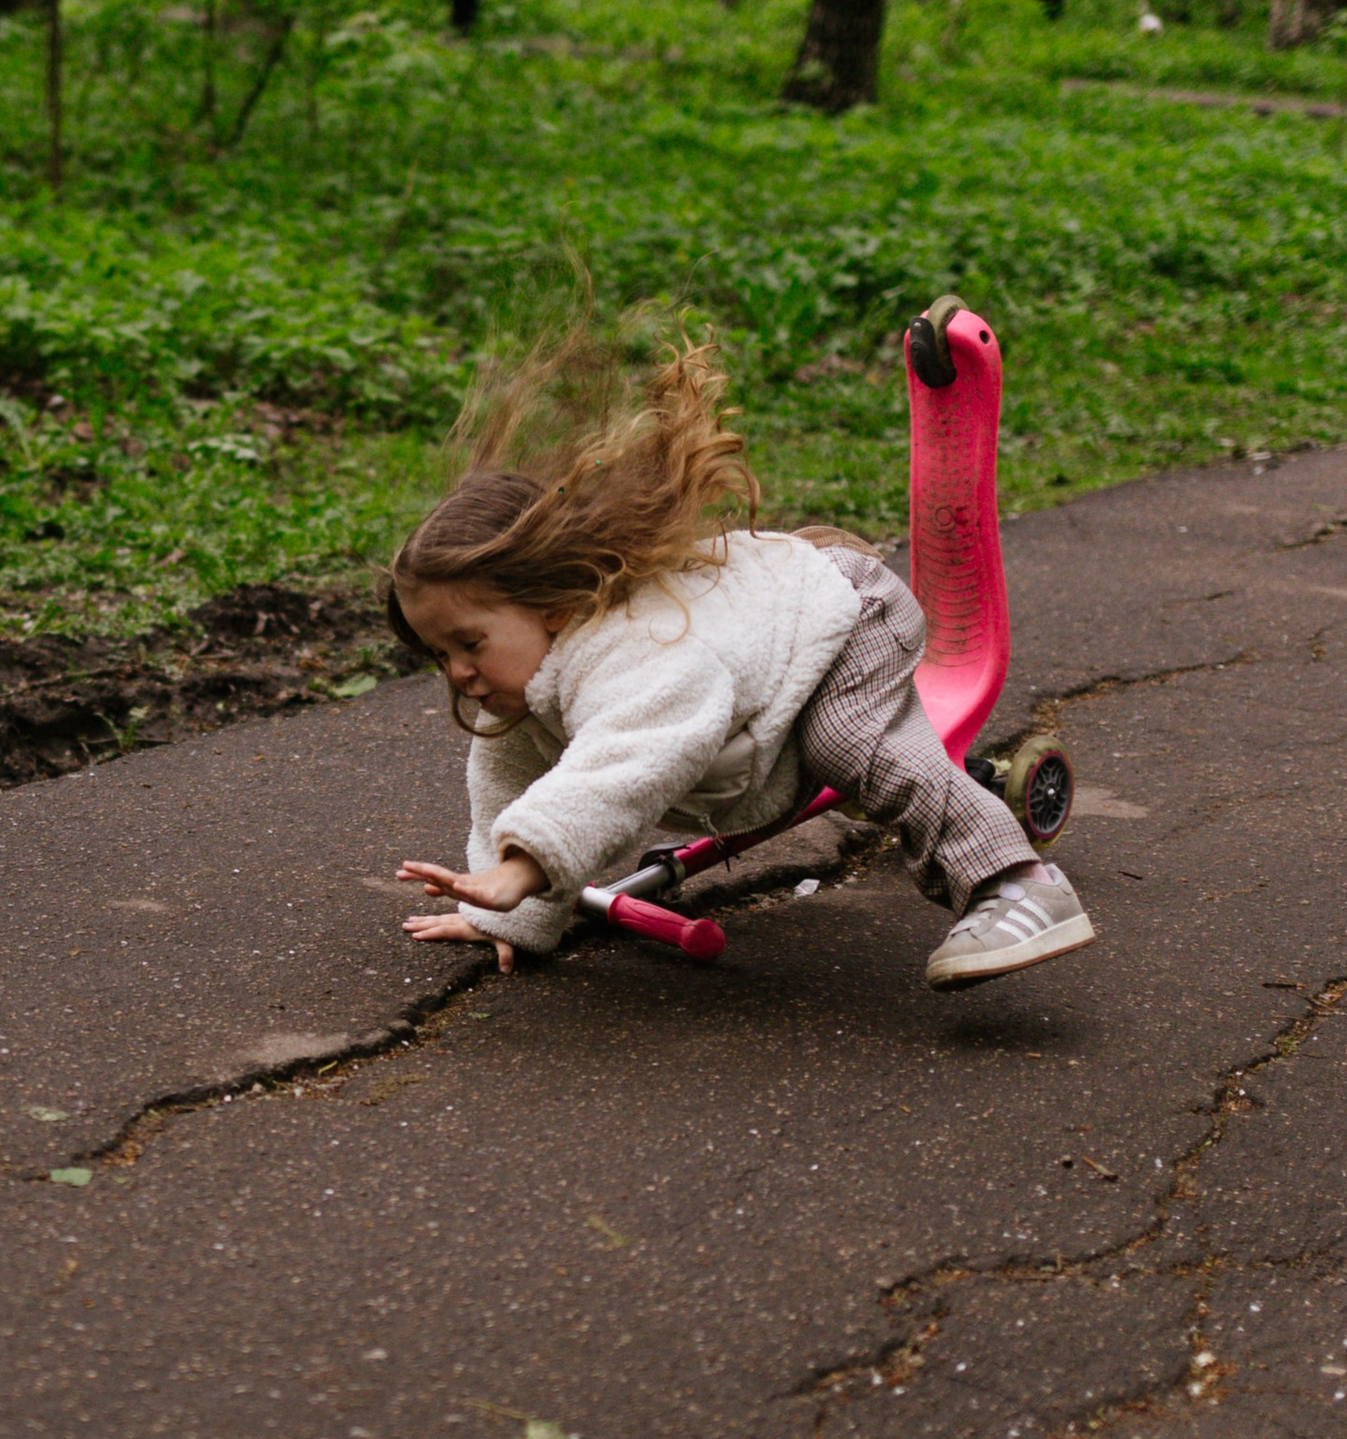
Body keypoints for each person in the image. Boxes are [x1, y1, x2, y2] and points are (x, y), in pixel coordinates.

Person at [385, 335, 1094, 989]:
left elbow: (620, 764)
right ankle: (943, 801)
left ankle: (1017, 884)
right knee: (830, 757)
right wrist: (506, 913)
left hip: (839, 617)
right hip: (762, 681)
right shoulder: (521, 696)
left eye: (469, 644)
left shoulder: (638, 653)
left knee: (848, 742)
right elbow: (504, 795)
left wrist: (523, 869)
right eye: (438, 654)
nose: (457, 674)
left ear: (554, 604)